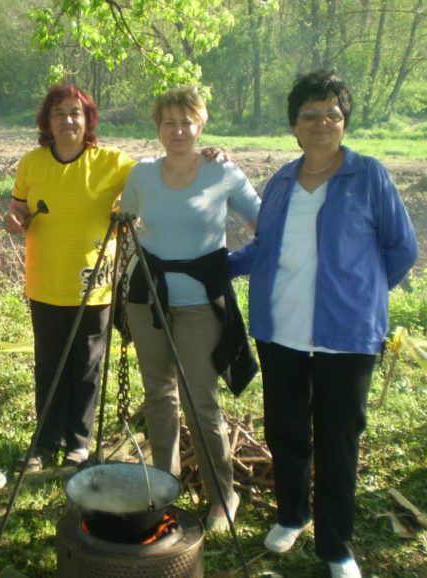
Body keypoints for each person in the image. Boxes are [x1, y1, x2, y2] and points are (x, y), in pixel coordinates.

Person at [230, 70, 417, 578]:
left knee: (338, 439)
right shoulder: (282, 181)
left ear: (344, 122)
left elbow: (402, 249)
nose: (321, 123)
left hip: (347, 337)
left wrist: (363, 295)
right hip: (281, 330)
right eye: (310, 114)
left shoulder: (369, 176)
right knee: (287, 430)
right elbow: (266, 247)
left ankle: (336, 546)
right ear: (294, 124)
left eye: (332, 114)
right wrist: (218, 264)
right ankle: (293, 514)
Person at [120, 86, 260, 532]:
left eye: (187, 121)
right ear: (157, 128)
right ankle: (164, 482)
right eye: (169, 123)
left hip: (200, 304)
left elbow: (266, 223)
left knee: (202, 400)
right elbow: (125, 220)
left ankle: (223, 495)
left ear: (201, 124)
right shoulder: (141, 174)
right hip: (147, 300)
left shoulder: (223, 172)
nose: (178, 130)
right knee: (159, 396)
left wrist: (231, 265)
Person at [4, 85, 135, 472]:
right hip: (45, 282)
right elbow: (18, 208)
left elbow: (162, 176)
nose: (68, 121)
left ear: (88, 120)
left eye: (76, 113)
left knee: (86, 367)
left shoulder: (114, 163)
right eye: (59, 113)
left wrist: (209, 157)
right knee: (49, 365)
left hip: (94, 284)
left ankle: (79, 443)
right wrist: (15, 219)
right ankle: (44, 443)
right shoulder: (31, 163)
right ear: (47, 121)